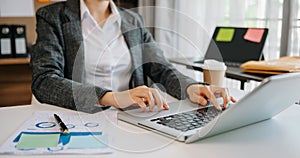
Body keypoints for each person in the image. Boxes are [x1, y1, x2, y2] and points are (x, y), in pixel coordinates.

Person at [30, 0, 235, 113]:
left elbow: (161, 68)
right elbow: (45, 81)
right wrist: (111, 97)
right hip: (78, 118)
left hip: (131, 118)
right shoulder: (53, 16)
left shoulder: (133, 20)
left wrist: (192, 87)